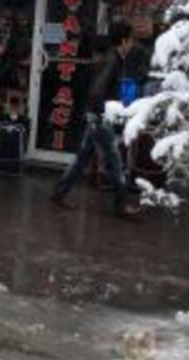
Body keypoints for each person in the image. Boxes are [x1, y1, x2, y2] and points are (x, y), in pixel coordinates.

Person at [50, 20, 149, 218]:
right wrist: (106, 111)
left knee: (82, 159)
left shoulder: (114, 58)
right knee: (115, 159)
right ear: (123, 41)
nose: (132, 44)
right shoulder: (113, 60)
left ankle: (58, 194)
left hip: (95, 115)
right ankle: (121, 205)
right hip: (101, 117)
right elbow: (97, 91)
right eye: (130, 40)